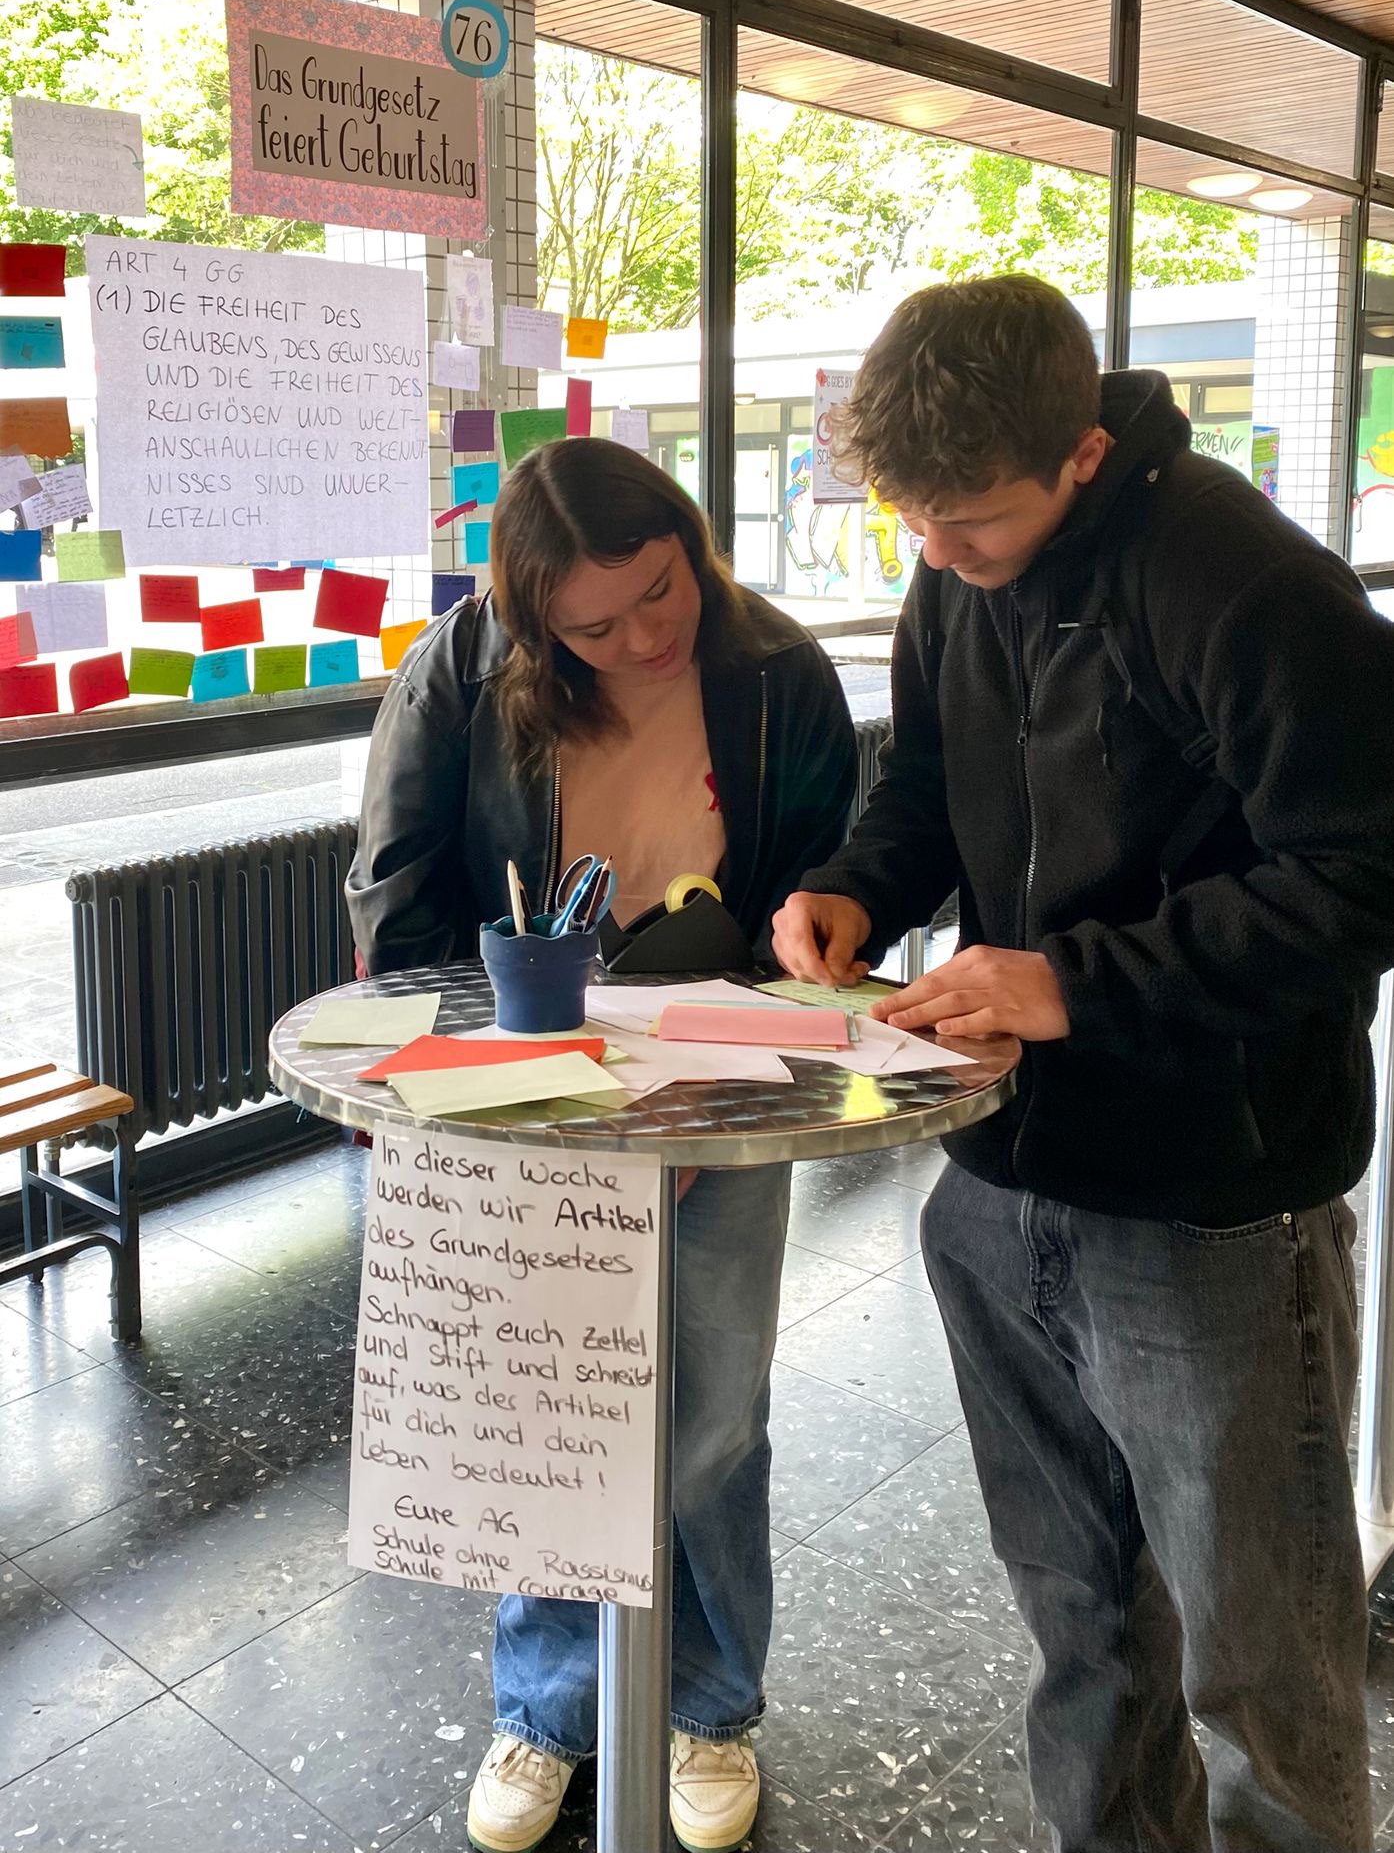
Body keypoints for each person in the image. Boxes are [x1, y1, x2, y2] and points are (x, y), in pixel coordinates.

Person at [772, 275, 1394, 1853]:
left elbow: (1363, 876)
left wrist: (1071, 982)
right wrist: (855, 887)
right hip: (996, 1170)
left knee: (1259, 1668)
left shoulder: (1245, 584)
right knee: (1078, 1621)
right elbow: (925, 785)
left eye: (969, 518)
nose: (934, 552)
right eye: (908, 518)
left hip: (1212, 1199)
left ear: (1083, 456)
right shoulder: (954, 569)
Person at [347, 437, 857, 1853]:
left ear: (689, 543)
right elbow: (399, 894)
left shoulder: (777, 671)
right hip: (526, 1075)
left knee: (711, 1416)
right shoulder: (464, 672)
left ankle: (712, 1705)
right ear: (533, 624)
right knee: (549, 1407)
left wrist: (728, 1083)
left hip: (723, 1069)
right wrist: (481, 1093)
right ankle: (549, 1709)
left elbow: (820, 886)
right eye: (593, 627)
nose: (641, 639)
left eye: (659, 592)